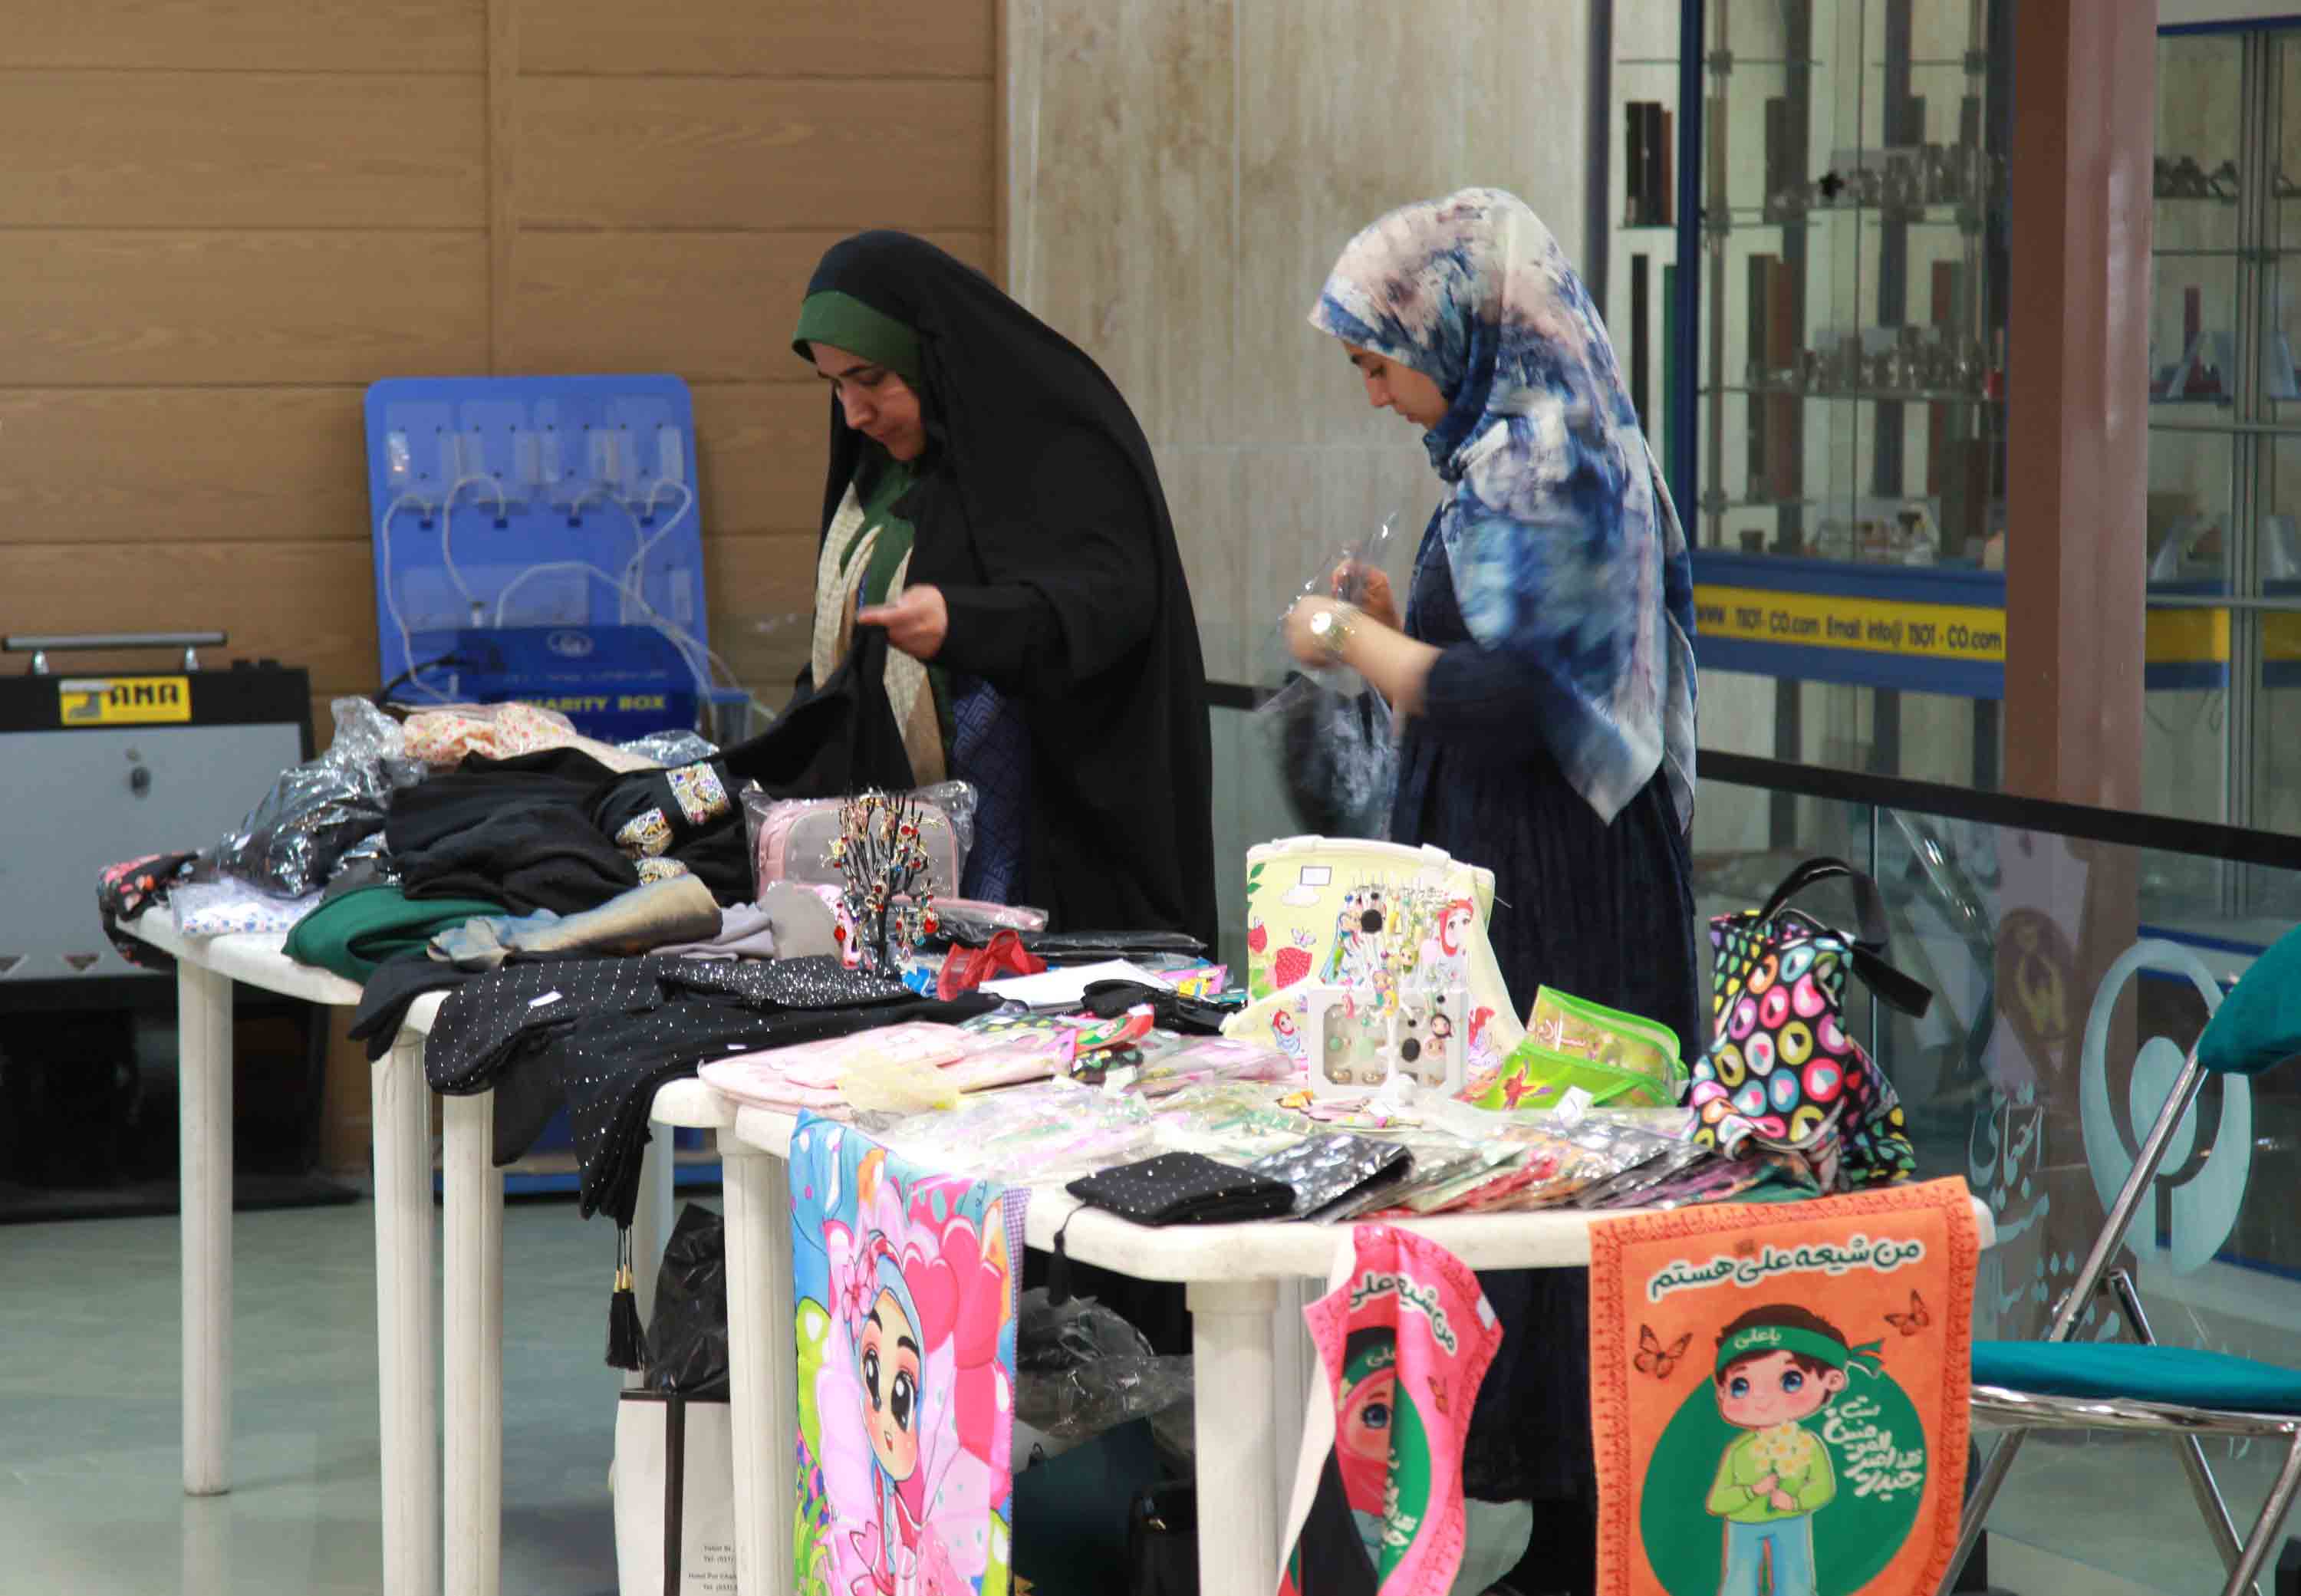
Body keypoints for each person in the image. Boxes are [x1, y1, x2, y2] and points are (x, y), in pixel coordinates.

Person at [1282, 188, 1700, 1594]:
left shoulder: (1548, 465)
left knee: (1562, 1192)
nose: (1373, 392)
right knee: (1517, 1191)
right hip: (1520, 865)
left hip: (1565, 888)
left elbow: (1509, 702)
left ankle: (1588, 1548)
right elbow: (1489, 660)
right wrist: (1394, 627)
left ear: (1451, 326)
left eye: (1376, 361)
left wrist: (1348, 640)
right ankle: (1563, 1538)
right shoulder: (1499, 456)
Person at [789, 230, 1217, 948]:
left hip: (1057, 848)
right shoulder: (882, 472)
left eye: (871, 379)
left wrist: (965, 623)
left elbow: (1110, 604)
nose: (853, 413)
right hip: (907, 854)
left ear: (927, 354)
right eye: (835, 386)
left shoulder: (1058, 442)